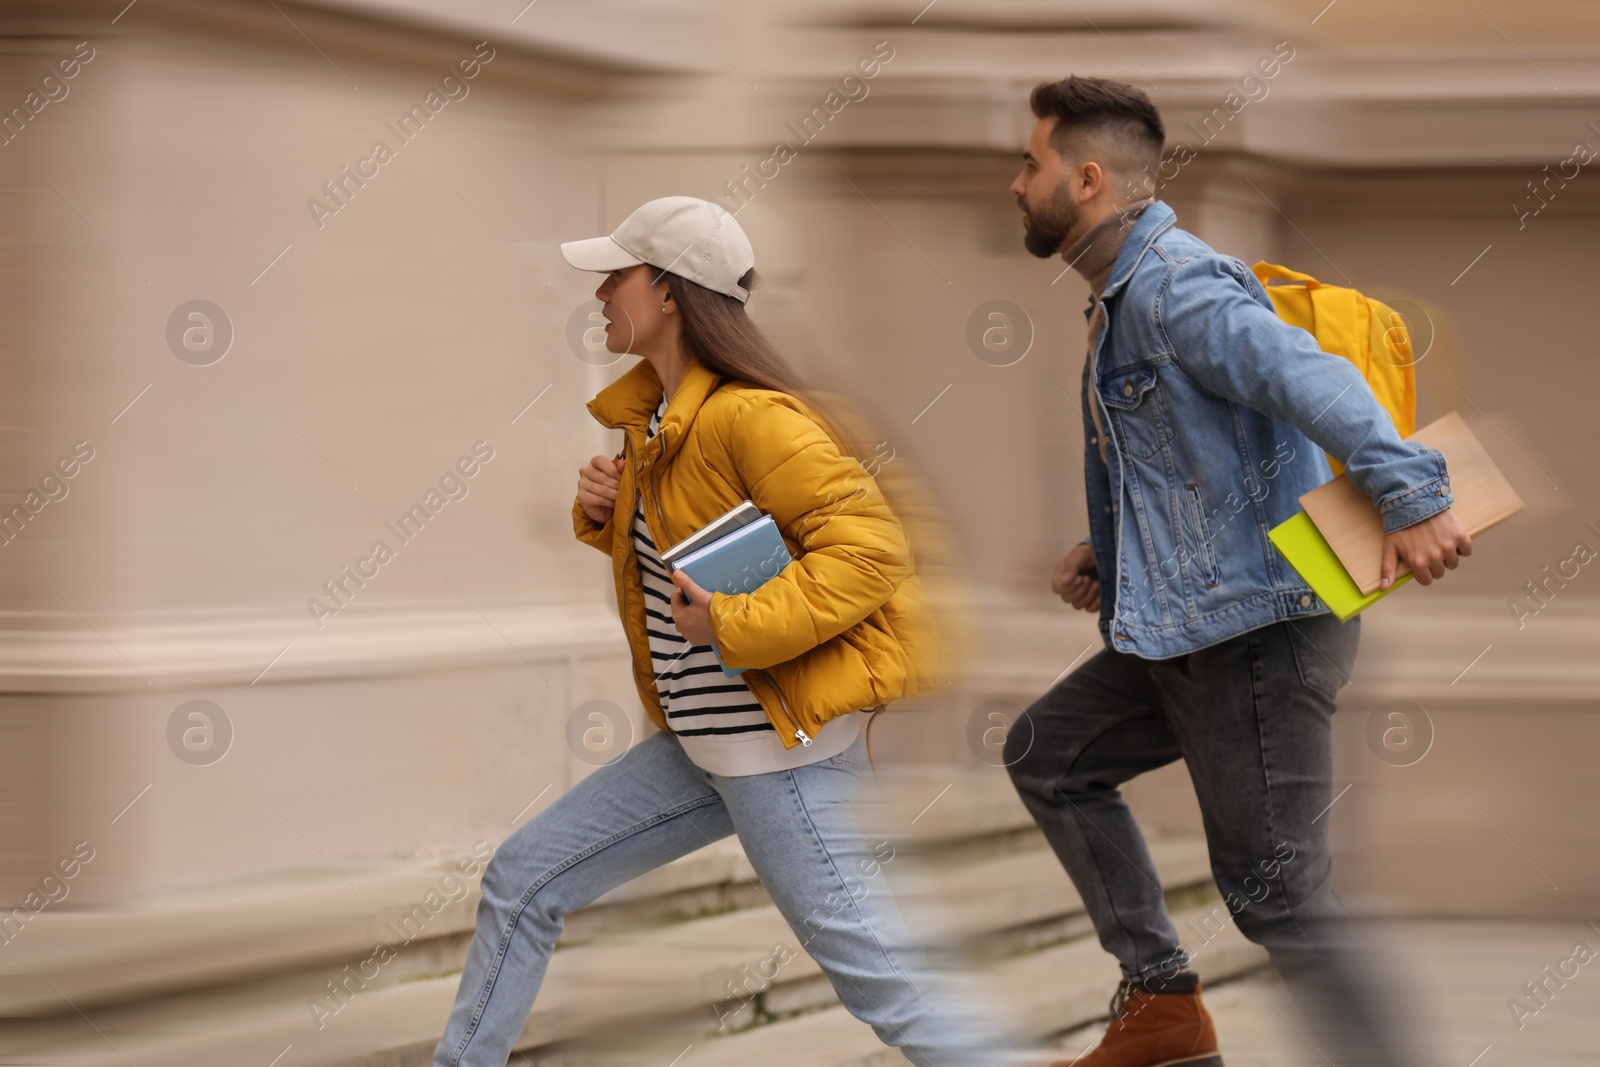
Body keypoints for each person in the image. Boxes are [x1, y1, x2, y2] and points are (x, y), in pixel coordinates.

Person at [432, 196, 1010, 1067]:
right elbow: (688, 554)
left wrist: (732, 621)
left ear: (669, 292)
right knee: (523, 879)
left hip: (782, 756)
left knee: (887, 987)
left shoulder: (751, 415)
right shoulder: (657, 424)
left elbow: (871, 551)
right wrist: (605, 510)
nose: (598, 291)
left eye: (616, 274)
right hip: (705, 745)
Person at [1000, 77, 1469, 1067]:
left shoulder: (1175, 285)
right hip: (1188, 620)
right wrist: (1117, 549)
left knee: (1281, 896)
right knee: (1049, 752)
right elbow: (1189, 454)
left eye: (1029, 163)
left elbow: (1311, 378)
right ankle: (1162, 1004)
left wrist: (1412, 494)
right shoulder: (1122, 295)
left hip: (1254, 632)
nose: (1014, 182)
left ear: (1084, 179)